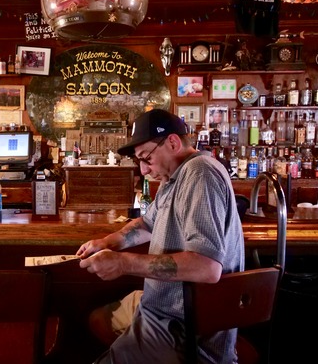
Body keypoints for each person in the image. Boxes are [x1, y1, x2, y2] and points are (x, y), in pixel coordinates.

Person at [76, 109, 245, 363]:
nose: (143, 170)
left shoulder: (200, 173)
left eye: (146, 158)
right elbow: (147, 223)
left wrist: (123, 263)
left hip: (182, 326)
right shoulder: (172, 177)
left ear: (173, 143)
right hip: (162, 304)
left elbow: (206, 267)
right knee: (98, 319)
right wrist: (108, 242)